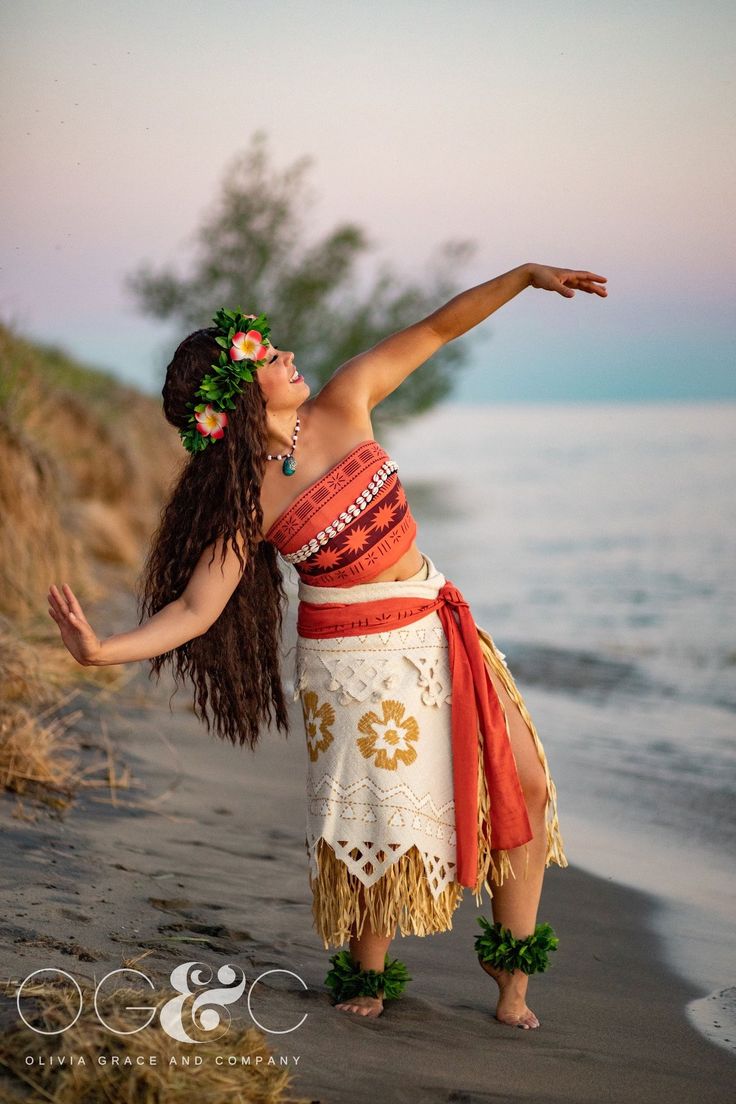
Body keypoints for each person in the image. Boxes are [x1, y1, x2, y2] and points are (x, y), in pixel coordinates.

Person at [48, 261, 608, 1030]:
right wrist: (100, 650)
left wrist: (522, 278)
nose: (286, 357)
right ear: (245, 396)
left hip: (434, 625)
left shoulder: (348, 399)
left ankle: (512, 972)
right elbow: (195, 606)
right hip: (351, 665)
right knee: (374, 819)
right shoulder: (248, 495)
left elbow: (440, 327)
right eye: (268, 359)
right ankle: (363, 972)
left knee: (529, 781)